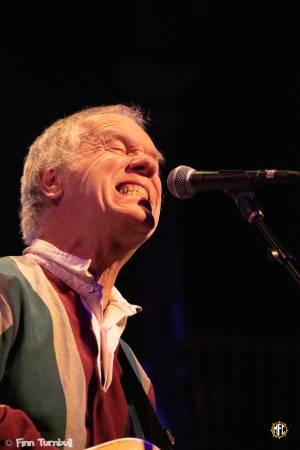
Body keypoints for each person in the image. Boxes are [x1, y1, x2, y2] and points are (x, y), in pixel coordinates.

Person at [0, 105, 168, 449]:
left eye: (154, 164)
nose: (149, 167)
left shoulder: (135, 374)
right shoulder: (7, 286)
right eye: (117, 148)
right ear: (52, 181)